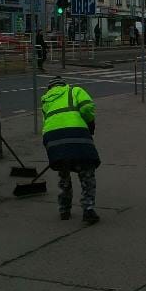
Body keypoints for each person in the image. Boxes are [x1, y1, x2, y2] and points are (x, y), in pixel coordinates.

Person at [41, 75, 101, 224]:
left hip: (52, 139)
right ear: (64, 85)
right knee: (86, 172)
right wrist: (90, 123)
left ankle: (64, 210)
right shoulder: (75, 90)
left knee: (64, 174)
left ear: (50, 89)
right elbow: (87, 106)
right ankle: (88, 210)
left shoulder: (46, 101)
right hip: (76, 134)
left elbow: (47, 122)